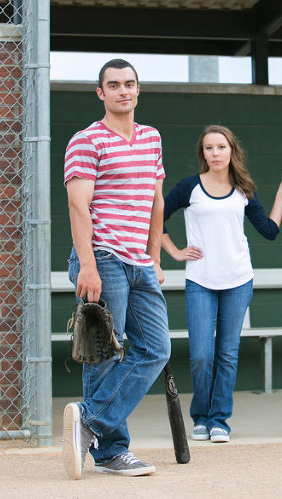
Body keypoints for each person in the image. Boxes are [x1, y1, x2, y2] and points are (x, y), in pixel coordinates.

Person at [62, 59, 170, 479]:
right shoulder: (87, 140)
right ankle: (112, 452)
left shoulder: (152, 138)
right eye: (114, 85)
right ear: (100, 93)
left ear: (138, 90)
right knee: (104, 355)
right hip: (103, 257)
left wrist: (155, 258)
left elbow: (156, 202)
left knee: (155, 349)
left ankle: (88, 420)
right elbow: (78, 205)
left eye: (130, 84)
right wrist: (87, 265)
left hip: (140, 263)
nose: (123, 90)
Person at [161, 124, 282, 443]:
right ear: (202, 153)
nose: (215, 153)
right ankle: (201, 417)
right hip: (200, 281)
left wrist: (281, 194)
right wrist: (175, 251)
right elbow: (156, 218)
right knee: (202, 355)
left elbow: (269, 230)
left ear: (231, 150)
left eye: (221, 147)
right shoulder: (189, 187)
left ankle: (219, 419)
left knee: (227, 353)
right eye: (209, 148)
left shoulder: (243, 189)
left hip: (238, 279)